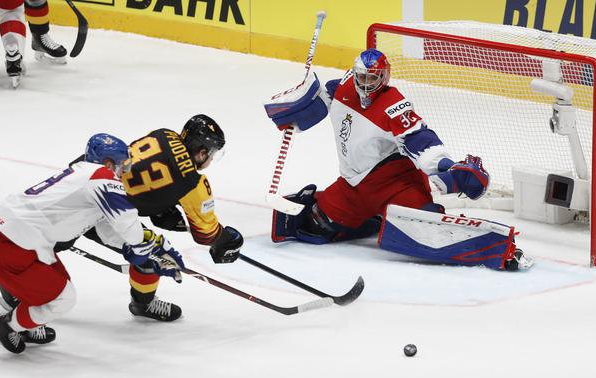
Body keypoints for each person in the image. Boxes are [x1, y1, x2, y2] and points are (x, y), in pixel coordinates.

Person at [264, 48, 531, 271]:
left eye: (373, 78)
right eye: (362, 77)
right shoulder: (346, 86)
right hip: (353, 186)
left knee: (426, 230)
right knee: (314, 226)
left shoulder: (395, 106)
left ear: (385, 77)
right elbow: (323, 97)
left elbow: (420, 140)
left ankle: (499, 251)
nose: (366, 84)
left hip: (395, 184)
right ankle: (376, 219)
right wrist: (297, 108)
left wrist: (448, 168)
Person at [0, 133, 184, 353]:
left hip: (8, 242)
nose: (124, 172)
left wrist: (137, 248)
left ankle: (25, 322)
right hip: (11, 250)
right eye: (123, 166)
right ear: (108, 163)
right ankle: (7, 325)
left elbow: (107, 229)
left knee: (61, 286)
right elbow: (127, 224)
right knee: (62, 299)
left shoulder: (84, 176)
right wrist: (147, 249)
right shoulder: (102, 176)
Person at [98, 115, 243, 321]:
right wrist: (226, 240)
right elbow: (205, 234)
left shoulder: (163, 134)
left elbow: (141, 169)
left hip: (89, 185)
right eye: (211, 154)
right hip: (107, 215)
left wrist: (159, 206)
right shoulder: (194, 184)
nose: (211, 159)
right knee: (152, 254)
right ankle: (143, 304)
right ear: (201, 153)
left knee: (49, 243)